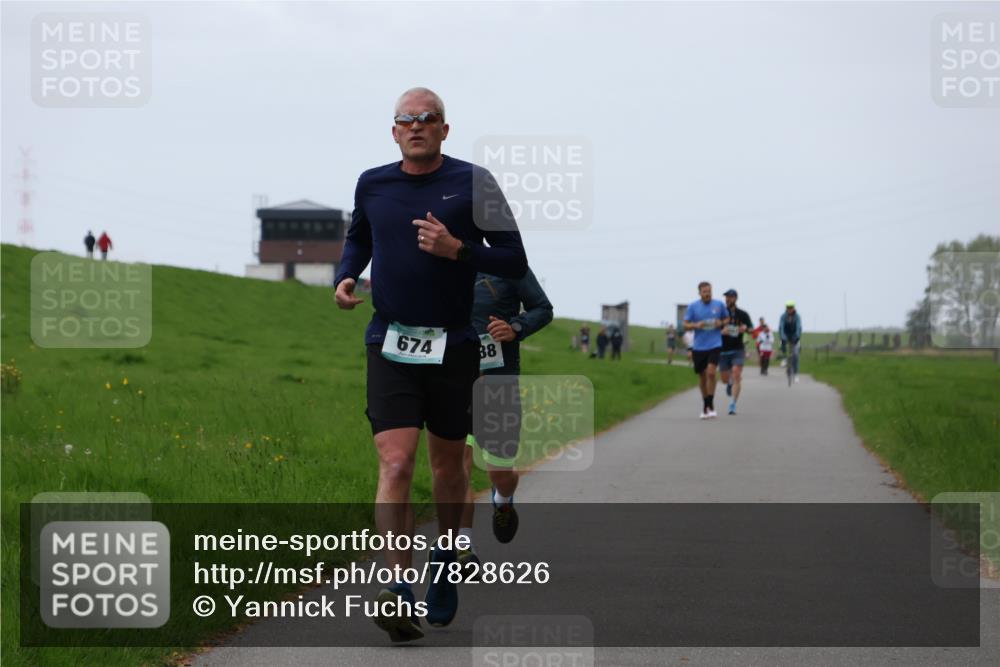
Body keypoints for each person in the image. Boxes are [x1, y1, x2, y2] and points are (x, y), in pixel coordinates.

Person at [333, 87, 527, 642]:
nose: (417, 126)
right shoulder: (373, 183)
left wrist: (458, 250)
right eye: (406, 120)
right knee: (395, 464)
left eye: (429, 118)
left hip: (454, 345)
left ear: (445, 129)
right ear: (394, 131)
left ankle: (444, 561)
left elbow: (514, 257)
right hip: (389, 341)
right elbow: (358, 240)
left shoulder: (475, 182)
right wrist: (345, 277)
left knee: (447, 467)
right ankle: (396, 586)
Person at [459, 268, 553, 577]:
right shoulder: (442, 264)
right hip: (455, 381)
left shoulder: (508, 264)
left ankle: (503, 499)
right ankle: (463, 547)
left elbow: (543, 309)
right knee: (457, 462)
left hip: (498, 385)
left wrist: (516, 326)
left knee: (500, 472)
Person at [683, 281, 728, 419]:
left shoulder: (719, 305)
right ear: (700, 293)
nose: (707, 294)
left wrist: (721, 323)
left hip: (715, 344)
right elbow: (685, 325)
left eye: (709, 291)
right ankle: (706, 403)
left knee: (711, 373)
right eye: (705, 292)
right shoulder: (693, 306)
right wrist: (697, 325)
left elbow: (727, 319)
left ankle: (709, 404)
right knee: (702, 377)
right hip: (699, 346)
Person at [718, 289, 753, 415]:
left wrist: (746, 329)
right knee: (724, 379)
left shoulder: (743, 314)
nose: (727, 299)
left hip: (738, 349)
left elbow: (751, 329)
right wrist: (721, 331)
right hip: (722, 350)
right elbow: (714, 328)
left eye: (730, 297)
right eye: (726, 297)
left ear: (735, 298)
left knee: (737, 374)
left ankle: (733, 404)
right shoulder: (720, 314)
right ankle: (729, 383)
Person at [779, 300, 802, 382]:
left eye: (791, 307)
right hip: (785, 334)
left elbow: (798, 327)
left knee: (795, 355)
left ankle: (796, 374)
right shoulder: (783, 316)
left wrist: (797, 337)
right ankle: (784, 358)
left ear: (793, 308)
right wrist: (782, 337)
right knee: (782, 344)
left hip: (794, 336)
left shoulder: (797, 316)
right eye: (788, 307)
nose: (789, 309)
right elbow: (781, 327)